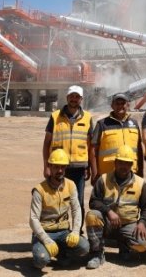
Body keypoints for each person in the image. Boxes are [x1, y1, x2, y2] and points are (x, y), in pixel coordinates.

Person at [85, 145, 146, 268]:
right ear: (115, 163)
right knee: (92, 216)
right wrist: (109, 211)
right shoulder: (103, 179)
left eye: (127, 163)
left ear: (132, 165)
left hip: (128, 224)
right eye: (121, 162)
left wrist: (142, 222)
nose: (124, 166)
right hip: (108, 223)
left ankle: (124, 245)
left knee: (143, 245)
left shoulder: (140, 183)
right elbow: (94, 201)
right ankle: (97, 253)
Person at [29, 149, 91, 269]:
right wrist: (46, 240)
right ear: (50, 167)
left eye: (62, 167)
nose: (60, 170)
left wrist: (75, 231)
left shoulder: (70, 185)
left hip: (63, 232)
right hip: (44, 232)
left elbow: (76, 210)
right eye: (56, 167)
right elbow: (33, 219)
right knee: (41, 260)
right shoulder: (39, 190)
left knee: (84, 247)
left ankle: (62, 253)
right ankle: (42, 252)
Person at [42, 85, 94, 222]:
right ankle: (57, 228)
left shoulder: (88, 118)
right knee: (57, 199)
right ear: (67, 97)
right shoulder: (55, 116)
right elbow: (47, 143)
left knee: (78, 202)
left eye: (77, 97)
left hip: (79, 168)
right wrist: (46, 166)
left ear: (81, 99)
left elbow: (90, 145)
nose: (74, 99)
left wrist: (89, 167)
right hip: (58, 167)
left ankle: (78, 231)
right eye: (72, 96)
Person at [92, 92, 143, 178]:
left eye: (123, 103)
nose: (120, 106)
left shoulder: (134, 124)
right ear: (112, 106)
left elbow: (139, 149)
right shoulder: (102, 124)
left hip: (131, 173)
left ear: (128, 105)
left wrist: (141, 171)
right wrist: (94, 173)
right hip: (108, 174)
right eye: (117, 103)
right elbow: (93, 150)